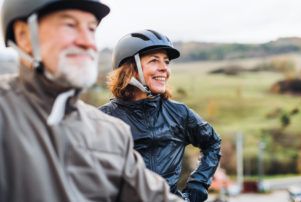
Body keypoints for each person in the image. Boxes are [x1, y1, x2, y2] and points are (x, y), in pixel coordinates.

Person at [0, 1, 184, 202]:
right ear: (24, 36)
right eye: (70, 25)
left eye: (91, 29)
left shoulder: (111, 133)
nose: (87, 42)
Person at [99, 29, 222, 202]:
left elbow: (212, 143)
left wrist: (199, 183)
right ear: (130, 69)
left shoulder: (180, 114)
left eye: (166, 61)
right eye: (154, 61)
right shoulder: (103, 119)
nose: (164, 68)